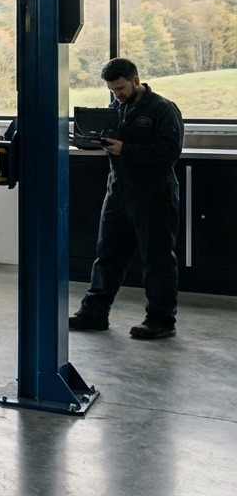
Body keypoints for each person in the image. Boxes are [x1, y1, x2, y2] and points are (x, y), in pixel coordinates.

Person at [69, 57, 184, 339]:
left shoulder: (163, 109)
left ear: (135, 80)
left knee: (156, 260)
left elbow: (170, 152)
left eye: (120, 88)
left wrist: (126, 149)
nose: (116, 94)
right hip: (118, 193)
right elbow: (111, 142)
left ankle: (161, 320)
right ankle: (94, 313)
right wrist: (92, 140)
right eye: (112, 90)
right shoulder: (115, 109)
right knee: (107, 255)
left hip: (155, 195)